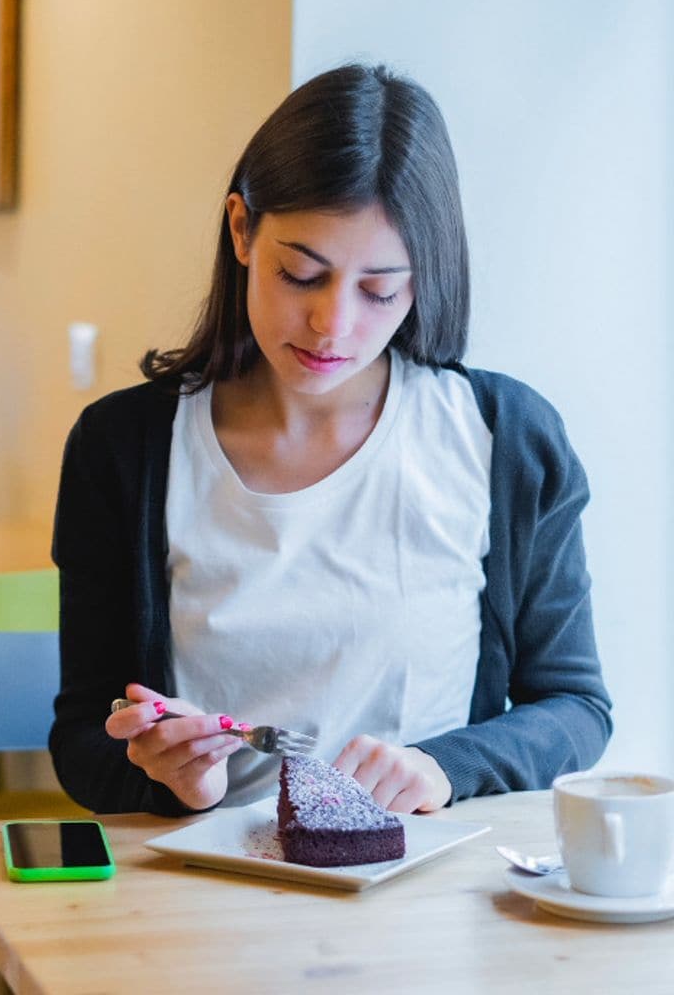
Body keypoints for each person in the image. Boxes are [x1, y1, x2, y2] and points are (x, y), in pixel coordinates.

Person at [49, 63, 612, 818]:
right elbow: (82, 736)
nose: (333, 325)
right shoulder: (122, 449)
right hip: (202, 900)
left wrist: (443, 769)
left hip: (421, 889)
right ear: (243, 230)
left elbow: (576, 707)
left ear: (422, 281)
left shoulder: (505, 441)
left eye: (379, 289)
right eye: (302, 275)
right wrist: (172, 778)